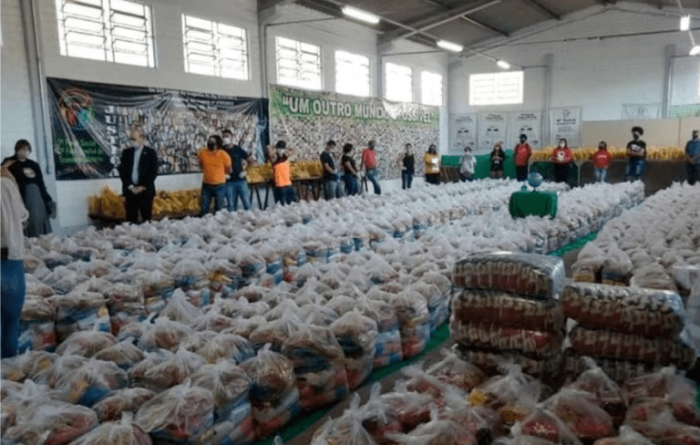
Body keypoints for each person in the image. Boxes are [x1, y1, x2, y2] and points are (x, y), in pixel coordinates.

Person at [1, 166, 28, 358]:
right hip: (10, 258)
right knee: (11, 319)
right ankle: (9, 364)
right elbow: (23, 216)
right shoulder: (7, 184)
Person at [1, 140, 54, 236]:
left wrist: (47, 200)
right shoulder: (10, 164)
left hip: (37, 199)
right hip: (19, 197)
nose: (24, 151)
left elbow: (41, 184)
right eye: (21, 149)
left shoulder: (34, 165)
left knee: (37, 223)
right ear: (16, 150)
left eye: (26, 149)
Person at [118, 128, 158, 224]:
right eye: (131, 139)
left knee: (146, 221)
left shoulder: (150, 153)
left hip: (145, 192)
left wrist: (143, 186)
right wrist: (131, 186)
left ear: (142, 139)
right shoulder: (126, 153)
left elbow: (153, 172)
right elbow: (122, 172)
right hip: (130, 192)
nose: (132, 141)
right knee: (130, 221)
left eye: (134, 139)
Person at [198, 135, 232, 215]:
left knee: (219, 211)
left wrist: (223, 175)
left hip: (220, 186)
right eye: (210, 142)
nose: (210, 144)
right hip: (206, 185)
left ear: (218, 144)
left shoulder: (223, 155)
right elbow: (201, 164)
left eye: (213, 143)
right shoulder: (202, 153)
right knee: (204, 209)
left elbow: (229, 169)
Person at [222, 129, 254, 211]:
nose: (225, 138)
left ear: (231, 137)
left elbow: (251, 161)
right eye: (224, 137)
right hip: (228, 182)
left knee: (247, 204)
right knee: (231, 206)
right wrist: (223, 175)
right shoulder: (221, 151)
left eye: (227, 136)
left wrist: (246, 171)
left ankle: (250, 218)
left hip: (241, 180)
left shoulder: (238, 149)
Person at [270, 141, 296, 205]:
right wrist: (274, 147)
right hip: (279, 186)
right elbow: (268, 148)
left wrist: (288, 148)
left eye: (282, 148)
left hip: (288, 184)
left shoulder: (285, 156)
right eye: (280, 148)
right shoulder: (275, 158)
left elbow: (294, 151)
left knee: (292, 205)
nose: (281, 150)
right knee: (282, 206)